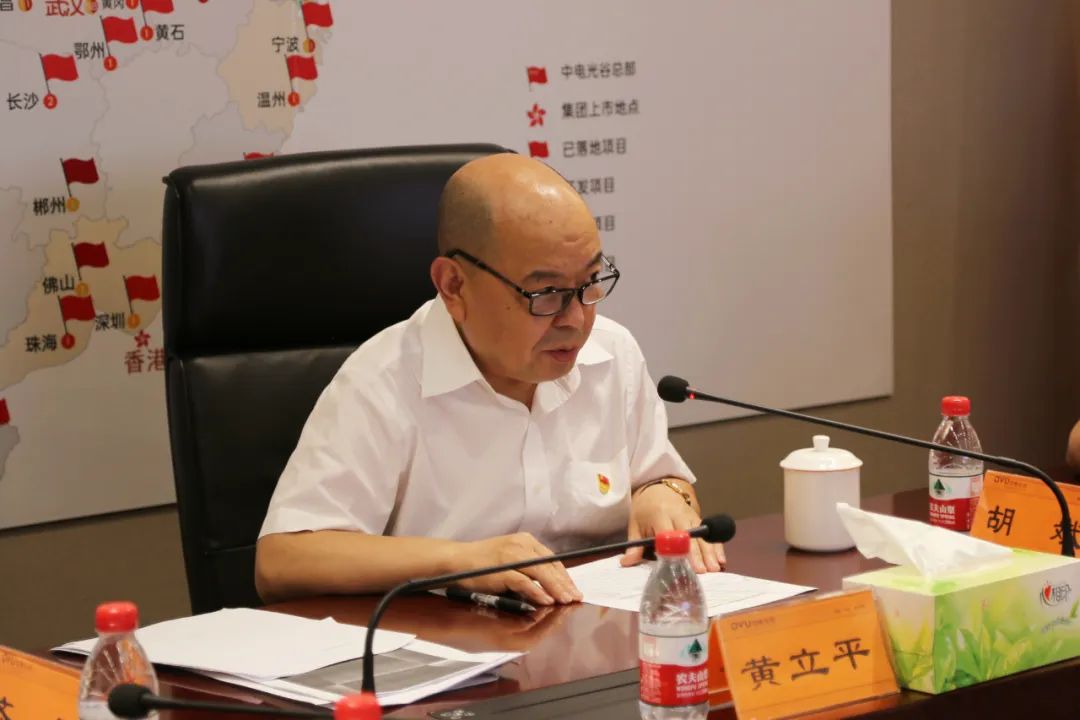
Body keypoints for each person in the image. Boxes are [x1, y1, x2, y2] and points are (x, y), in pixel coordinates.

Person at [254, 153, 723, 606]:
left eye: (590, 281)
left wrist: (663, 495)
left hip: (595, 634)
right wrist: (461, 561)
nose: (576, 319)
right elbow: (283, 561)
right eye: (546, 293)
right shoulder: (382, 381)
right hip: (452, 645)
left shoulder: (612, 353)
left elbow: (659, 477)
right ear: (454, 286)